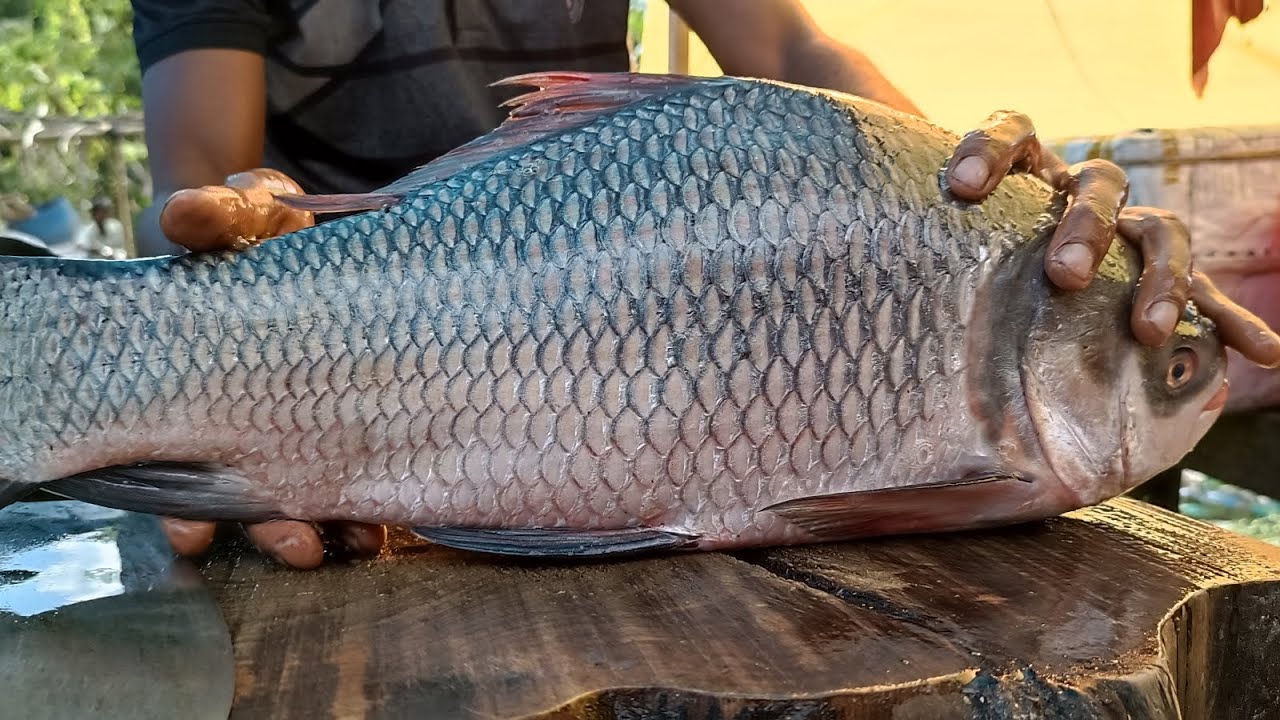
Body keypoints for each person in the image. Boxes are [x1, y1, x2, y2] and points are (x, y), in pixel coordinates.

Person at [129, 0, 1280, 569]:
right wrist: (209, 305)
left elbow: (786, 52)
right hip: (346, 334)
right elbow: (199, 178)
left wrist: (980, 196)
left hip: (644, 278)